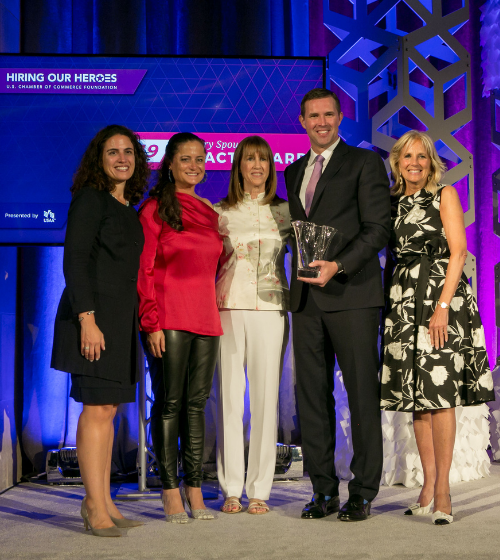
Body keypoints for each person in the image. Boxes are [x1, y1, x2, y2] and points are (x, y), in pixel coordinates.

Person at [284, 88, 391, 521]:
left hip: (353, 296)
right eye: (314, 115)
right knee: (311, 398)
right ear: (302, 120)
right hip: (307, 300)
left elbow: (378, 228)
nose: (322, 122)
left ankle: (363, 490)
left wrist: (339, 266)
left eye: (329, 114)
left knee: (363, 394)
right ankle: (323, 490)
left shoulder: (364, 163)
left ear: (340, 117)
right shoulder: (292, 172)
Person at [380, 130, 494, 525]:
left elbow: (458, 251)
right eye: (407, 156)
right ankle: (426, 488)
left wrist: (442, 306)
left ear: (431, 162)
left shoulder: (444, 194)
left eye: (422, 157)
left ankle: (444, 491)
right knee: (416, 398)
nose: (414, 163)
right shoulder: (393, 202)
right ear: (397, 161)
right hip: (403, 302)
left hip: (439, 298)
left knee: (439, 395)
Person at [51, 124, 150, 537]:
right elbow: (74, 261)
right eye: (113, 152)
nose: (122, 158)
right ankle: (92, 506)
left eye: (128, 151)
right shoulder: (89, 200)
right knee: (96, 410)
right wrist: (87, 321)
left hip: (118, 321)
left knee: (109, 410)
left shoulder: (126, 207)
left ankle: (104, 497)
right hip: (92, 321)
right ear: (99, 159)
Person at [137, 132, 222, 523]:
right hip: (168, 318)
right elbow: (145, 268)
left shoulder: (209, 210)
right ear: (169, 164)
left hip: (206, 317)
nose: (194, 165)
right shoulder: (155, 208)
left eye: (200, 159)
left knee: (196, 404)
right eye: (185, 159)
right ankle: (170, 491)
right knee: (170, 403)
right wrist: (150, 322)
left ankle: (194, 489)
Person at [214, 136, 291, 515]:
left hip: (272, 309)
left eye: (263, 159)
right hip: (227, 307)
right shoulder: (220, 212)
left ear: (270, 167)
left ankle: (260, 488)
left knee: (265, 399)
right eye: (249, 159)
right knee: (229, 399)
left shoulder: (286, 213)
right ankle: (230, 487)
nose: (257, 165)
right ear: (239, 166)